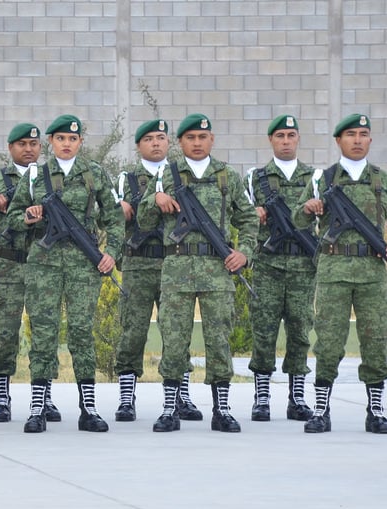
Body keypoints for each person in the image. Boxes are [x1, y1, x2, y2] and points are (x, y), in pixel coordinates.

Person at [137, 113, 258, 433]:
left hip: (217, 269)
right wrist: (155, 199)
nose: (197, 143)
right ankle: (169, 409)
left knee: (219, 340)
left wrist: (244, 252)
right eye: (190, 138)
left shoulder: (227, 176)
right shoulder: (167, 174)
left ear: (212, 140)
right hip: (176, 268)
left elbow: (248, 219)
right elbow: (142, 220)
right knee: (174, 340)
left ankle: (222, 409)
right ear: (180, 143)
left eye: (202, 138)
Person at [293, 113, 387, 434]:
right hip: (333, 271)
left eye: (363, 134)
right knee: (328, 342)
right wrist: (307, 208)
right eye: (350, 135)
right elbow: (296, 219)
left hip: (372, 272)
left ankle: (376, 410)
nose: (357, 140)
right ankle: (321, 409)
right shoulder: (322, 180)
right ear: (338, 141)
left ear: (370, 140)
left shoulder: (384, 181)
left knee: (375, 341)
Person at [7, 114, 124, 433]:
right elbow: (11, 218)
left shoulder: (95, 174)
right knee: (43, 332)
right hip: (43, 263)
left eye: (73, 139)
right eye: (60, 139)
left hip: (84, 265)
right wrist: (29, 217)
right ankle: (37, 407)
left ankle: (88, 408)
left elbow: (114, 218)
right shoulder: (35, 176)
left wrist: (111, 253)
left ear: (80, 142)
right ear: (51, 143)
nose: (67, 144)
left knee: (81, 333)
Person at [111, 119, 203, 426]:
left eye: (161, 138)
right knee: (133, 331)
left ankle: (182, 395)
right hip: (138, 264)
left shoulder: (181, 174)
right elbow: (113, 214)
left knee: (176, 331)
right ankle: (126, 397)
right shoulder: (127, 178)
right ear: (138, 146)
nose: (155, 143)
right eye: (148, 139)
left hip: (172, 263)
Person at [243, 115, 316, 422]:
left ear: (298, 139)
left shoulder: (316, 178)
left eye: (291, 135)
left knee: (300, 331)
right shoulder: (255, 178)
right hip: (268, 266)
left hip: (303, 265)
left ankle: (297, 396)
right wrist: (253, 212)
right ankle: (262, 397)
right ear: (271, 140)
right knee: (263, 331)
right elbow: (240, 213)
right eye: (280, 136)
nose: (286, 141)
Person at [0, 123, 46, 423]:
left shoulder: (49, 177)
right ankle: (2, 397)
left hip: (44, 265)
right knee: (5, 332)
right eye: (21, 144)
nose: (28, 149)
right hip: (9, 265)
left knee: (45, 331)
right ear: (10, 148)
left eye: (33, 144)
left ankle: (44, 398)